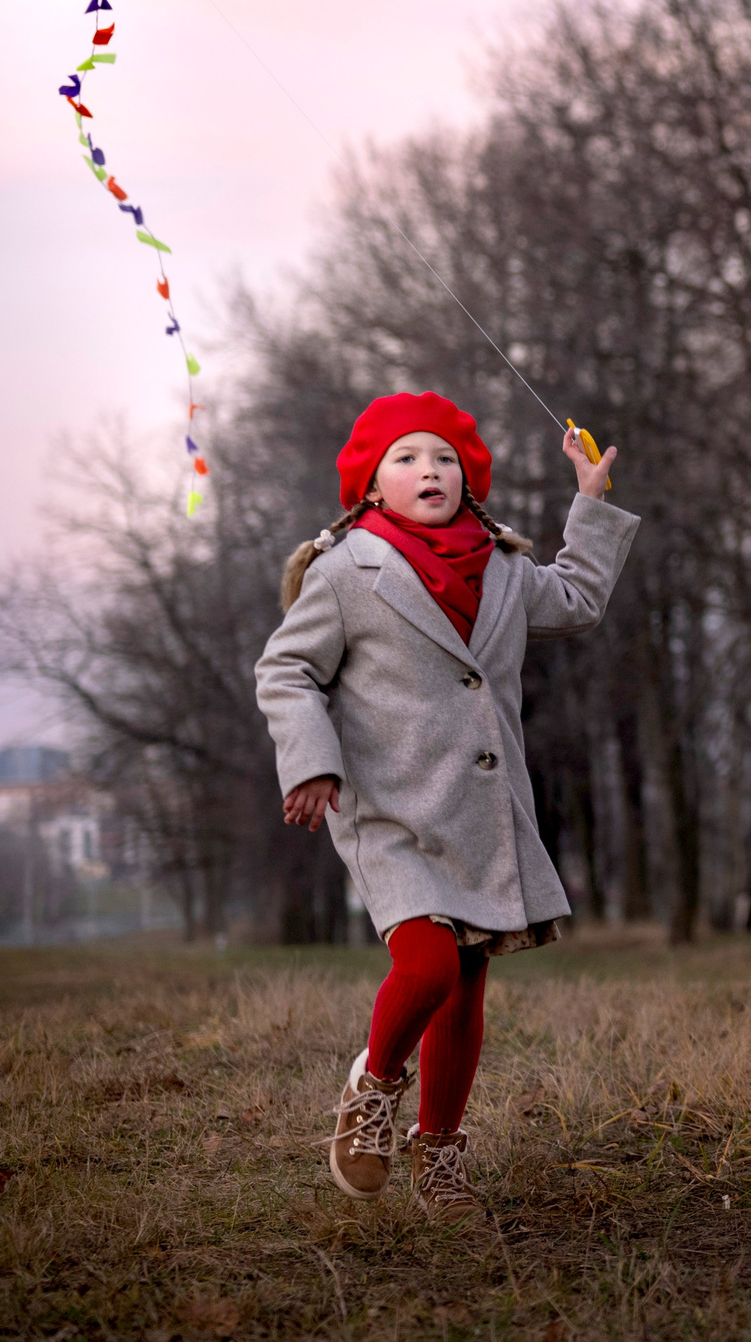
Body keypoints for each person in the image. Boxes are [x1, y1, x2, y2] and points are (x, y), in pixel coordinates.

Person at [256, 391, 634, 1219]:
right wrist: (311, 762)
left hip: (479, 811)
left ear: (468, 479)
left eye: (445, 459)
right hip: (389, 810)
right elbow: (286, 670)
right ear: (370, 485)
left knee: (464, 984)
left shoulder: (502, 566)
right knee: (426, 965)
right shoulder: (345, 571)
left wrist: (590, 503)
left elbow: (577, 598)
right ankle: (373, 1086)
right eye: (407, 458)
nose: (429, 470)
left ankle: (440, 1155)